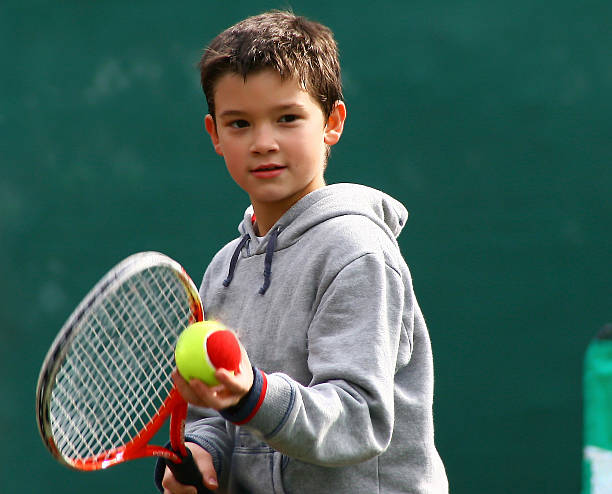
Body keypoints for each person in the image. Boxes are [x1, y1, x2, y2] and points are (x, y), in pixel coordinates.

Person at [156, 10, 448, 494]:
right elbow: (215, 409)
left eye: (287, 118)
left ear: (332, 122)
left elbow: (359, 418)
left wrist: (254, 395)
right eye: (240, 123)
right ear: (215, 135)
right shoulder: (224, 269)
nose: (263, 142)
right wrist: (204, 450)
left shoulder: (357, 252)